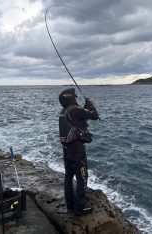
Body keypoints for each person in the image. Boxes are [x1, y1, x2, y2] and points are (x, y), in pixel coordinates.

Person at [58, 88, 99, 216]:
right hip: (77, 151)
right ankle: (80, 207)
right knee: (82, 178)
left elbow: (83, 115)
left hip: (66, 150)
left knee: (68, 177)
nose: (77, 99)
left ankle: (70, 204)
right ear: (70, 98)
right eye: (75, 97)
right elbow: (94, 115)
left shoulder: (64, 111)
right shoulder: (75, 110)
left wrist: (87, 106)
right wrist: (90, 103)